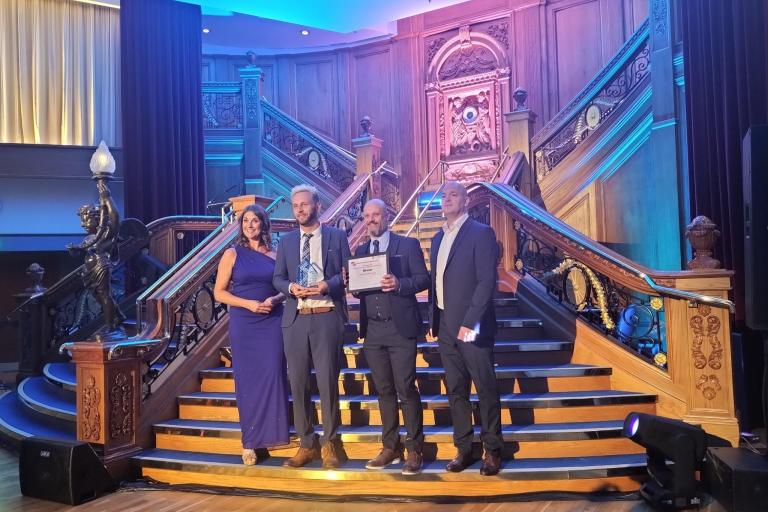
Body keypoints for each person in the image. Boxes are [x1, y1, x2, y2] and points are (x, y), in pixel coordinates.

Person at [273, 184, 351, 469]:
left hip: (326, 316)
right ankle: (307, 444)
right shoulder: (286, 242)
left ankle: (331, 443)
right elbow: (277, 278)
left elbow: (348, 276)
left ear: (317, 205)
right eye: (296, 206)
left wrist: (326, 285)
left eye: (305, 204)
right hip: (295, 320)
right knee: (298, 383)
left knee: (328, 382)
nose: (300, 210)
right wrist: (291, 287)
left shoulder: (336, 237)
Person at [429, 181, 503, 476]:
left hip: (472, 326)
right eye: (444, 196)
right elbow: (437, 281)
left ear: (466, 201)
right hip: (445, 326)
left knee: (485, 388)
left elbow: (486, 283)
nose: (447, 199)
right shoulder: (437, 238)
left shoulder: (481, 233)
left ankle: (493, 450)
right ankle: (464, 448)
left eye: (454, 195)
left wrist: (467, 324)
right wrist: (434, 320)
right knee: (456, 389)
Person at [353, 199, 429, 475]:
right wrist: (353, 284)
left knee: (406, 388)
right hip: (373, 331)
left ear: (387, 217)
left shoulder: (406, 245)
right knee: (383, 390)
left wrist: (399, 284)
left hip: (400, 329)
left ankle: (414, 449)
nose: (371, 219)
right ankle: (390, 446)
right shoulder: (360, 250)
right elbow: (359, 291)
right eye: (367, 216)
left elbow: (423, 279)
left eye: (376, 215)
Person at [213, 204, 289, 465]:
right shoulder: (232, 254)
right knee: (247, 381)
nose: (250, 225)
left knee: (273, 373)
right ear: (241, 225)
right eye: (246, 221)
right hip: (245, 322)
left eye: (255, 220)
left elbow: (286, 288)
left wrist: (276, 299)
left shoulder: (276, 254)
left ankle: (272, 435)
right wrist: (249, 305)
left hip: (271, 320)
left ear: (263, 224)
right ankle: (249, 443)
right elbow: (219, 293)